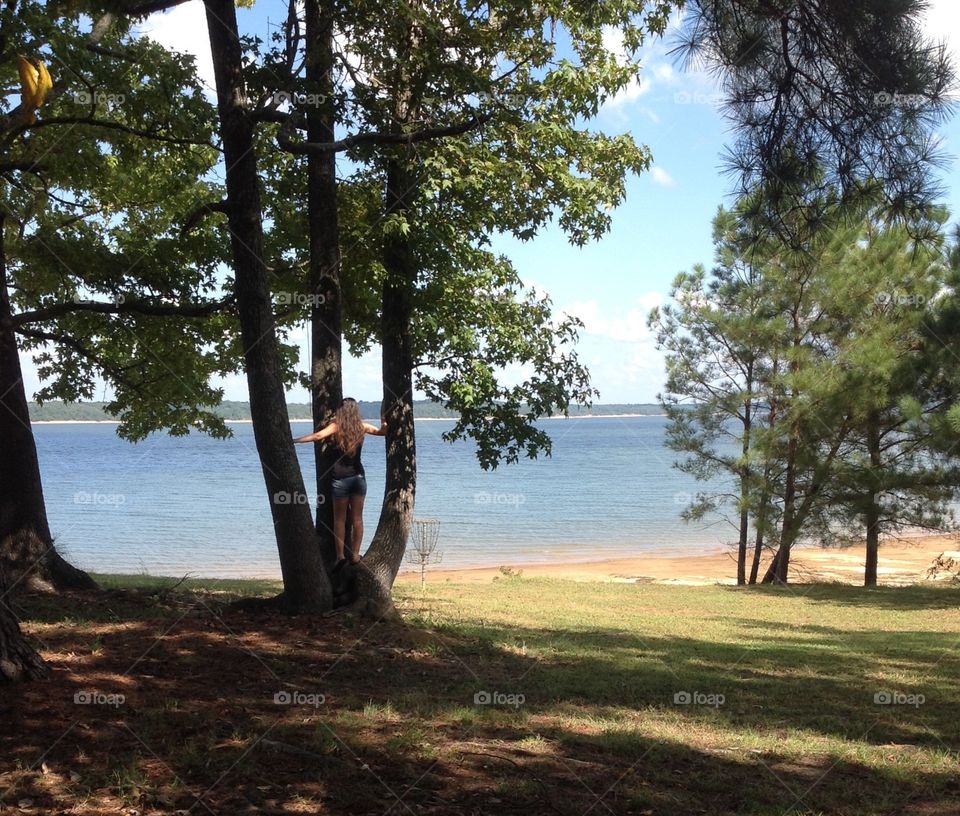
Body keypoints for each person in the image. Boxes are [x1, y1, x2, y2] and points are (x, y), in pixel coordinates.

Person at [293, 398, 387, 568]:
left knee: (340, 520)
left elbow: (318, 435)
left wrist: (295, 441)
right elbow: (382, 432)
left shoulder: (336, 426)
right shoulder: (362, 427)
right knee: (357, 518)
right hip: (358, 478)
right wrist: (383, 420)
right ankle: (356, 554)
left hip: (340, 480)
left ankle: (340, 556)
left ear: (341, 411)